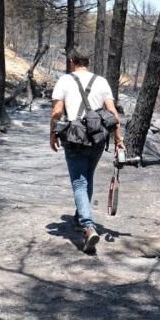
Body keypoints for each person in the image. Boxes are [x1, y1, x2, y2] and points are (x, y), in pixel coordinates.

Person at [49, 48, 123, 252]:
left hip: (75, 137)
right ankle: (78, 216)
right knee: (87, 177)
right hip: (98, 137)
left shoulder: (64, 80)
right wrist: (118, 138)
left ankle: (88, 227)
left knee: (79, 182)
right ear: (88, 62)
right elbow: (112, 112)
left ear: (72, 61)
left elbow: (56, 111)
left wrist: (52, 134)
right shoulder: (101, 81)